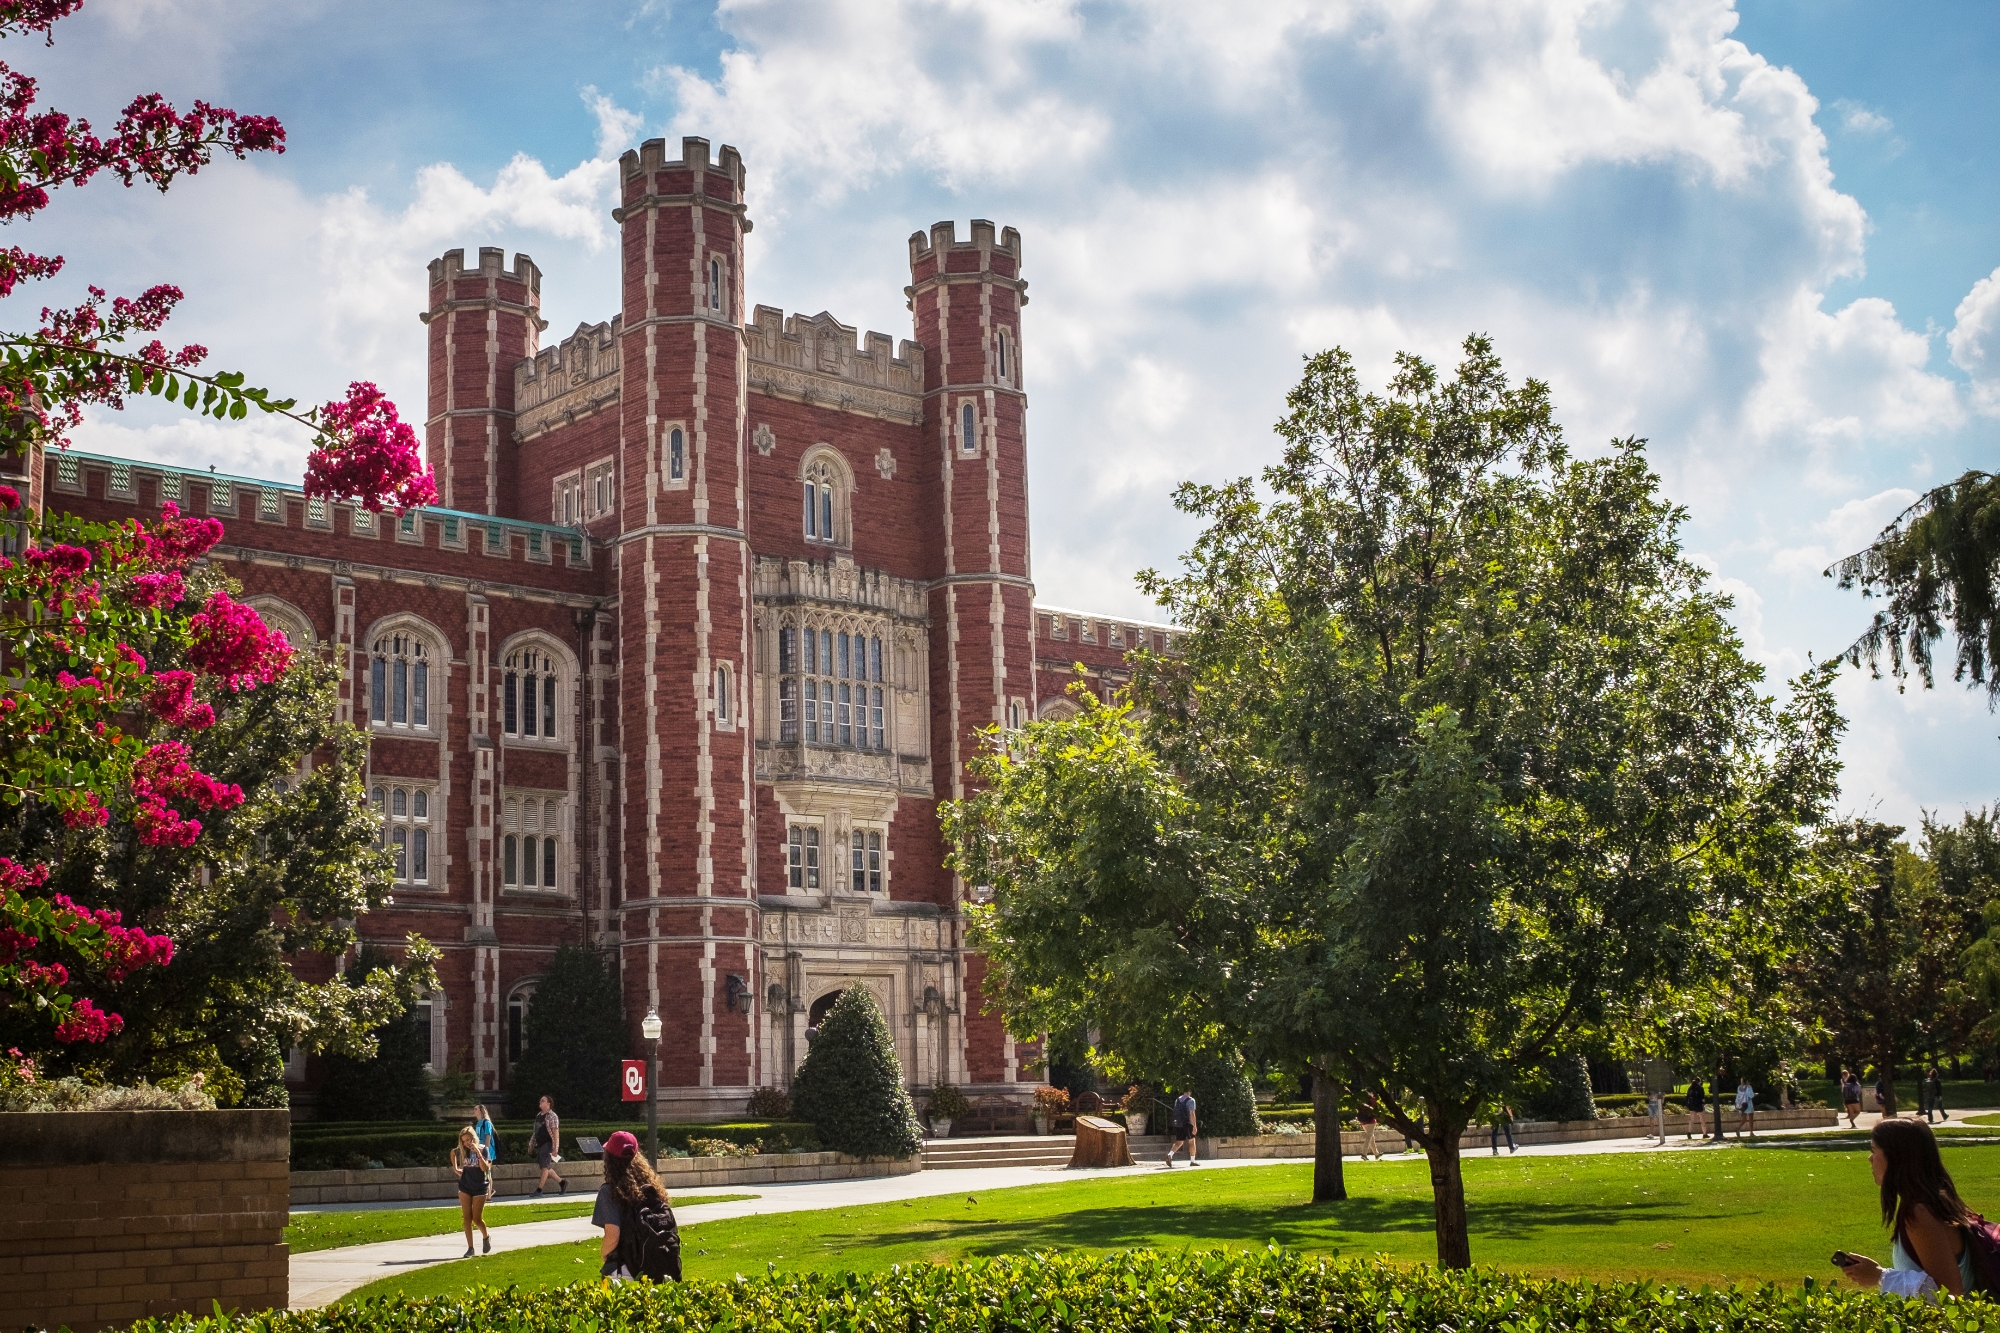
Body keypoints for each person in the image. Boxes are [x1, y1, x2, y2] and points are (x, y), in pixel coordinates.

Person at [1834, 1117, 1979, 1300]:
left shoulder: (1920, 1213)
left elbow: (1949, 1292)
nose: (1869, 1158)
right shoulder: (1934, 1202)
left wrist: (1880, 1276)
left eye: (1874, 1150)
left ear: (1896, 1157)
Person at [592, 1130, 678, 1282]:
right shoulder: (653, 1188)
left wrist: (605, 1256)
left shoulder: (609, 1191)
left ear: (609, 1158)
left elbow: (613, 1235)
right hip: (657, 1265)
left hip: (624, 1269)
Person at [450, 1125, 493, 1257]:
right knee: (467, 1218)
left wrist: (478, 1153)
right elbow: (453, 1153)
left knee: (476, 1218)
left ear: (474, 1138)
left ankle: (486, 1237)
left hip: (480, 1186)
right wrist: (456, 1168)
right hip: (465, 1186)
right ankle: (470, 1248)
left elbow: (485, 1168)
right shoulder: (462, 1150)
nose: (467, 1143)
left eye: (469, 1139)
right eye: (464, 1141)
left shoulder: (483, 1149)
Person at [531, 1094, 567, 1195]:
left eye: (543, 1100)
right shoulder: (539, 1115)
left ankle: (539, 1190)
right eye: (540, 1100)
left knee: (544, 1167)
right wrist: (531, 1144)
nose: (540, 1102)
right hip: (540, 1144)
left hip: (548, 1144)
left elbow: (555, 1133)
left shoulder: (552, 1116)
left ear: (548, 1103)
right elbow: (536, 1132)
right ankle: (562, 1182)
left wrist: (555, 1148)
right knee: (545, 1166)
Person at [1164, 1087, 1199, 1167]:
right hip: (1188, 1124)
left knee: (1179, 1142)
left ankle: (1170, 1154)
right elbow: (1192, 1113)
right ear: (1189, 1091)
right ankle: (1192, 1161)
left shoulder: (1178, 1100)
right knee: (1191, 1142)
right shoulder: (1191, 1100)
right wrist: (1194, 1126)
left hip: (1179, 1124)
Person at [472, 1103, 500, 1199]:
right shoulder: (478, 1123)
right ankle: (487, 1192)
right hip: (480, 1149)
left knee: (487, 1172)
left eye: (476, 1109)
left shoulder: (486, 1122)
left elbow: (488, 1136)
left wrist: (486, 1149)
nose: (474, 1111)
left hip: (487, 1149)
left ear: (480, 1111)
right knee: (483, 1171)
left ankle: (488, 1195)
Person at [1356, 1092, 1382, 1161]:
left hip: (1363, 1121)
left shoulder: (1361, 1100)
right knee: (1368, 1137)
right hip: (1371, 1121)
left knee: (1371, 1137)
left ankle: (1376, 1154)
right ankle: (1364, 1154)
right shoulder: (1373, 1099)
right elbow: (1375, 1109)